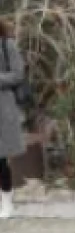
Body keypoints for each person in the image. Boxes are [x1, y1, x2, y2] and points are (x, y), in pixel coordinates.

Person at [0, 18, 26, 221]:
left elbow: (18, 74)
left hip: (3, 107)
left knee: (0, 159)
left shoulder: (6, 44)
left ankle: (7, 201)